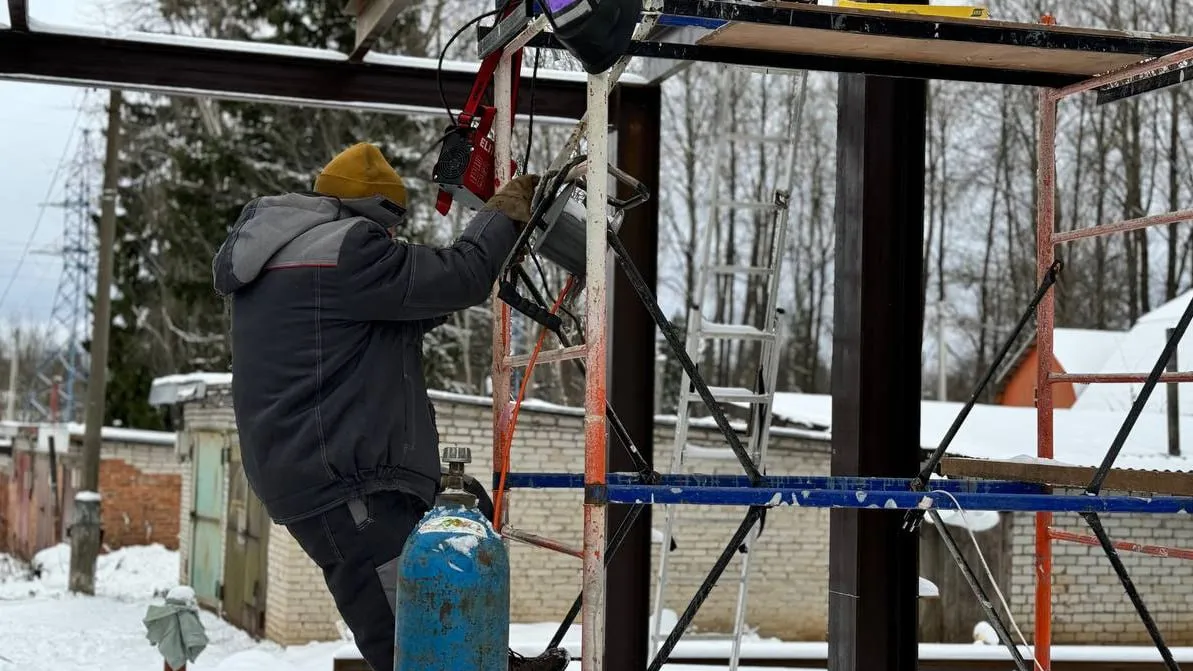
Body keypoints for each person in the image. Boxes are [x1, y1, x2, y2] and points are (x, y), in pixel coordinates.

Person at [211, 142, 569, 671]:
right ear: (375, 216)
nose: (394, 241)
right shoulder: (348, 247)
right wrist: (502, 213)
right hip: (347, 485)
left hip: (318, 476)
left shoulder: (288, 257)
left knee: (423, 607)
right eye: (392, 232)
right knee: (410, 640)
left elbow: (392, 317)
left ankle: (489, 659)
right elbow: (460, 275)